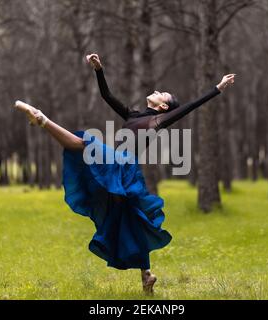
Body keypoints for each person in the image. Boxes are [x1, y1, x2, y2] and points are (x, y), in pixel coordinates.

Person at [14, 53, 235, 294]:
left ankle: (41, 118)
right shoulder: (133, 115)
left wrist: (218, 88)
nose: (158, 90)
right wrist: (99, 70)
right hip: (121, 167)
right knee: (130, 218)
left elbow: (190, 107)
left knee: (85, 143)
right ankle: (146, 276)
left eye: (163, 94)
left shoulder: (159, 120)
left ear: (162, 106)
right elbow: (106, 96)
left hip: (124, 164)